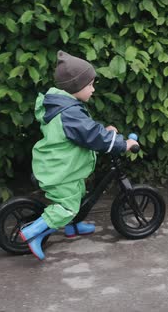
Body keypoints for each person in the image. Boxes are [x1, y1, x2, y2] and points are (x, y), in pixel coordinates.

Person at [20, 50, 139, 260]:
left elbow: (85, 132)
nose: (93, 89)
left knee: (79, 193)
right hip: (59, 170)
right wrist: (122, 144)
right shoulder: (70, 112)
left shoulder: (65, 107)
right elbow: (92, 134)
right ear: (76, 86)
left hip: (64, 166)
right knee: (67, 206)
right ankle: (33, 233)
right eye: (90, 85)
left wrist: (106, 132)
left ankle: (72, 228)